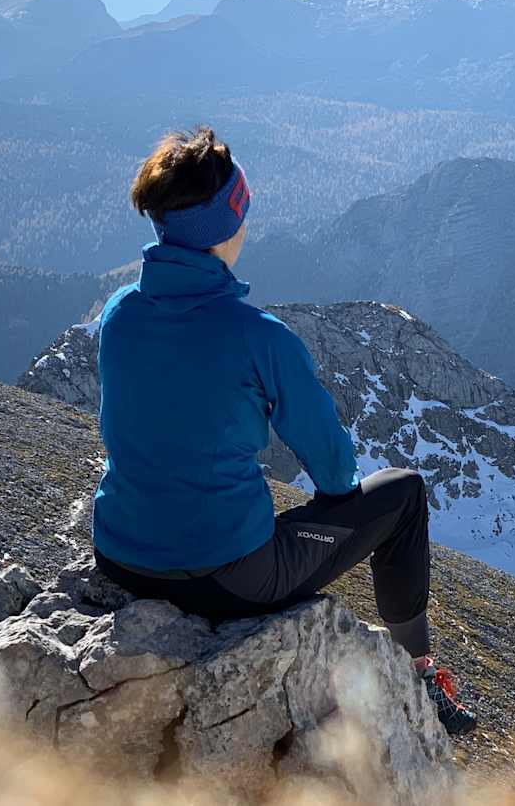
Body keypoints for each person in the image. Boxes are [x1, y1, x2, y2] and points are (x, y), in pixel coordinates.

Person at [91, 126, 477, 735]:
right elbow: (334, 471)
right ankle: (419, 673)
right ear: (225, 225)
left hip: (120, 556)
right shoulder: (259, 337)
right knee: (401, 495)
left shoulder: (118, 311)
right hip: (227, 577)